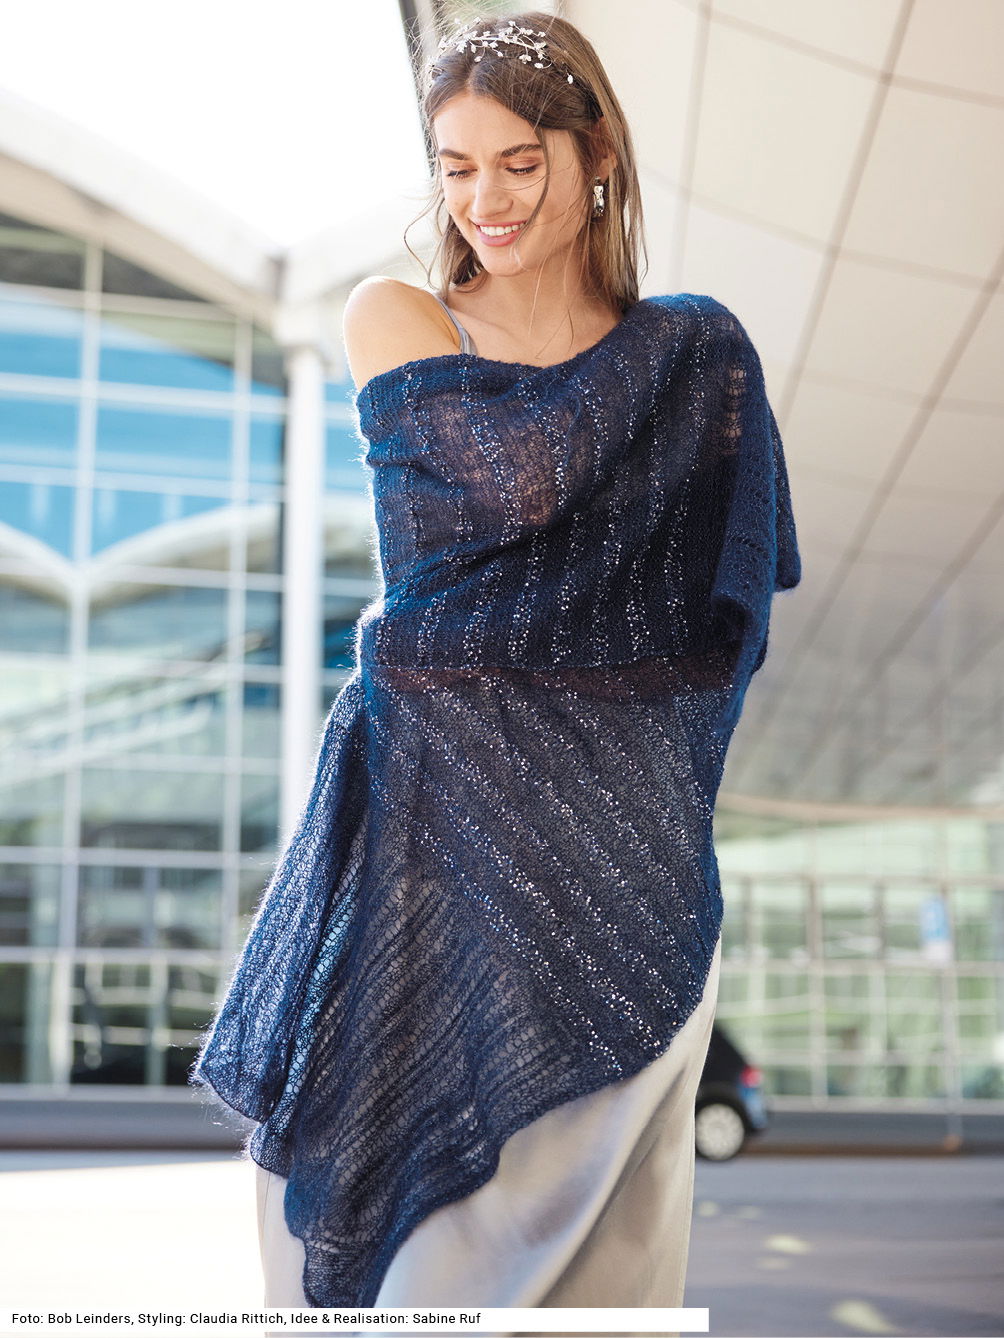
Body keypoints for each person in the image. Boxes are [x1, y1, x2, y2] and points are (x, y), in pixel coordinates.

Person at [189, 10, 801, 1327]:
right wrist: (509, 656)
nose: (485, 200)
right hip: (432, 863)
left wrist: (525, 673)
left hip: (629, 895)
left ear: (597, 156)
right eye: (456, 166)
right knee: (408, 1268)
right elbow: (458, 585)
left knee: (602, 1292)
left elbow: (702, 640)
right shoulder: (398, 314)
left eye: (519, 162)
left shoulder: (699, 356)